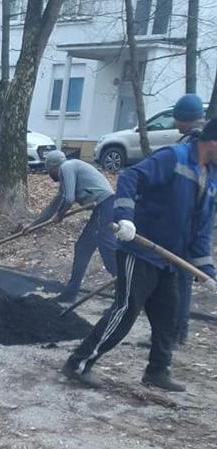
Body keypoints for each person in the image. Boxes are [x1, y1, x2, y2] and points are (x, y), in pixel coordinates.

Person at [62, 117, 217, 392]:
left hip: (170, 259)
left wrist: (206, 268)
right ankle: (78, 363)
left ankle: (157, 371)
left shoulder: (211, 178)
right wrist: (125, 217)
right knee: (125, 311)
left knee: (168, 316)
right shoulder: (174, 158)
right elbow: (130, 176)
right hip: (141, 250)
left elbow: (202, 227)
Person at [26, 150, 117, 303]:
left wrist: (60, 215)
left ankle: (125, 290)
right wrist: (33, 225)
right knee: (83, 247)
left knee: (107, 248)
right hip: (103, 207)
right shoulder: (68, 173)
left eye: (49, 171)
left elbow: (68, 199)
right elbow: (55, 205)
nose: (50, 175)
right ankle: (71, 292)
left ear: (53, 167)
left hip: (106, 205)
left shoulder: (66, 167)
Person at [172, 94, 205, 345]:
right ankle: (178, 331)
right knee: (181, 279)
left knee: (178, 280)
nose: (175, 123)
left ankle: (175, 333)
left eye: (177, 118)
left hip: (188, 220)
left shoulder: (194, 142)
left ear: (184, 119)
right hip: (196, 220)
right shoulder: (203, 138)